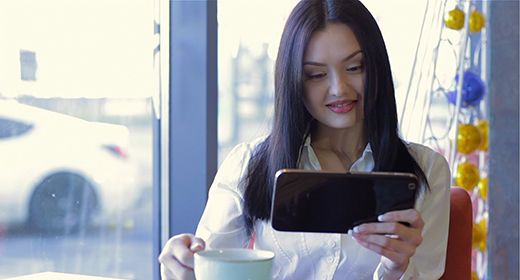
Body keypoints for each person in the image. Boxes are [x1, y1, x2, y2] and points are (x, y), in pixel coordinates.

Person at [159, 0, 451, 279]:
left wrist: (395, 271)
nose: (339, 88)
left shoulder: (426, 169)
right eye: (316, 75)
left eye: (354, 68)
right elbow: (210, 266)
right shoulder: (249, 165)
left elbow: (426, 273)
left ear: (377, 68)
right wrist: (182, 266)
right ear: (294, 83)